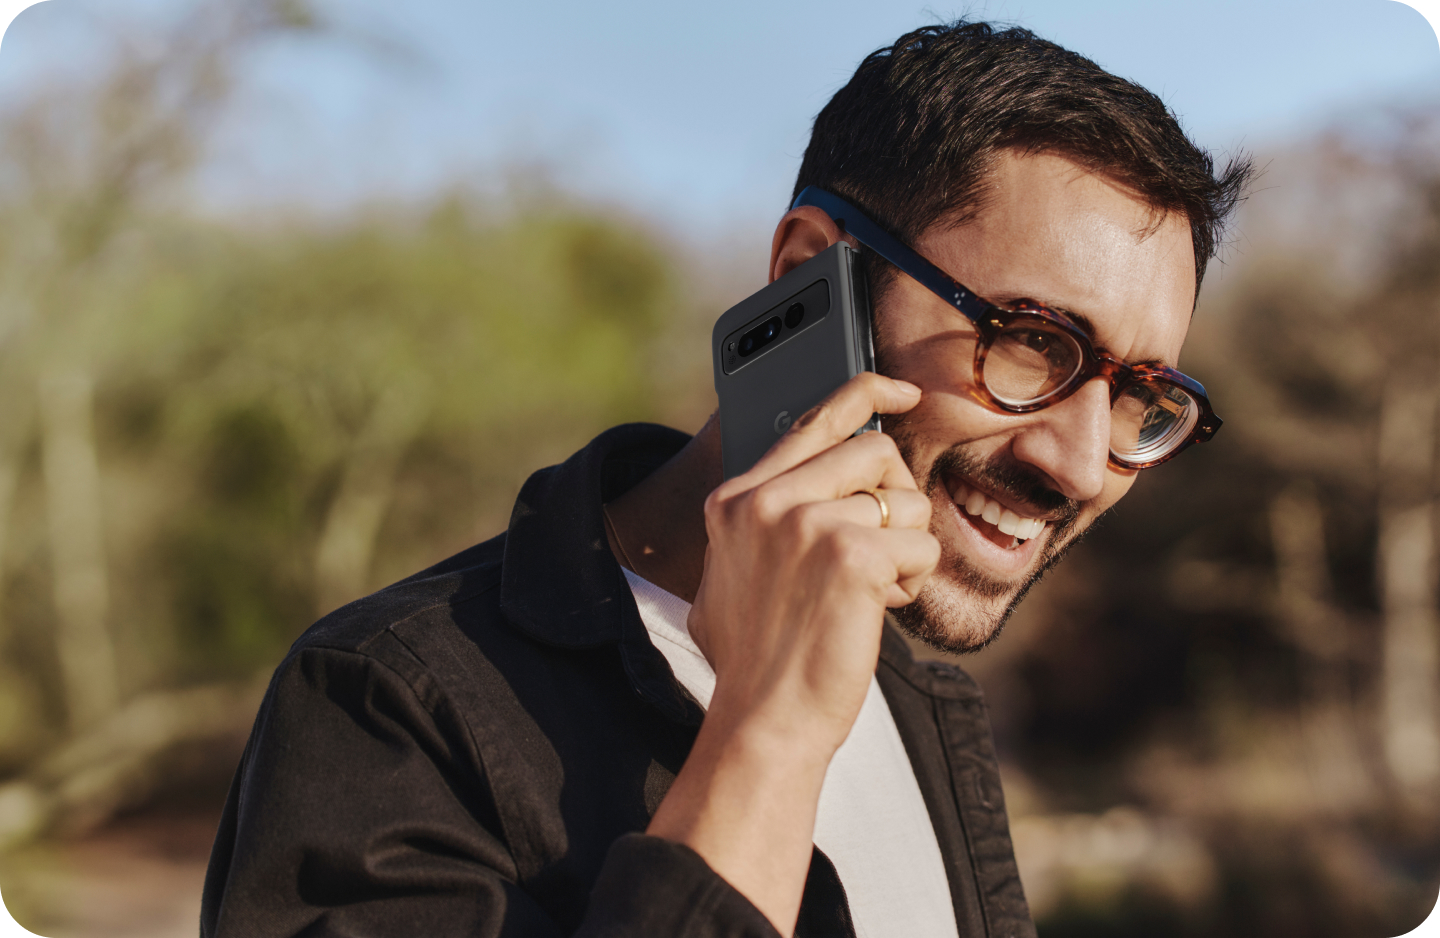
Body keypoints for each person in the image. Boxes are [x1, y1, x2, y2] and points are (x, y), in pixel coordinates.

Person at [200, 20, 1249, 938]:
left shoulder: (928, 705)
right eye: (1032, 342)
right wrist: (771, 729)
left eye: (1142, 396)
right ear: (808, 277)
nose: (1076, 460)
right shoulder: (385, 701)